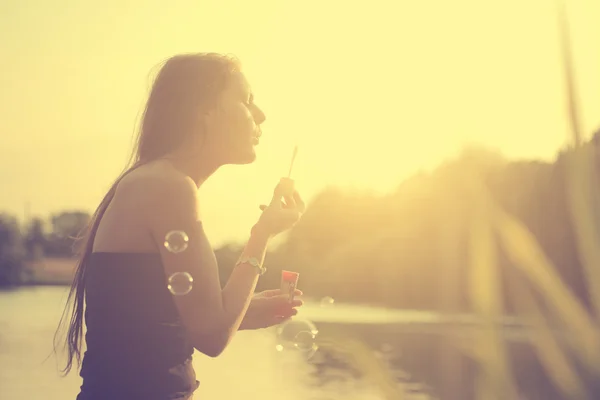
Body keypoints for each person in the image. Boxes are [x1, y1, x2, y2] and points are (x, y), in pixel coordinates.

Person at [54, 53, 306, 400]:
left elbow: (151, 329)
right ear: (204, 109)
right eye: (247, 101)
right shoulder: (169, 187)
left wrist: (241, 309)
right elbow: (213, 337)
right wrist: (262, 234)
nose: (261, 115)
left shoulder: (157, 181)